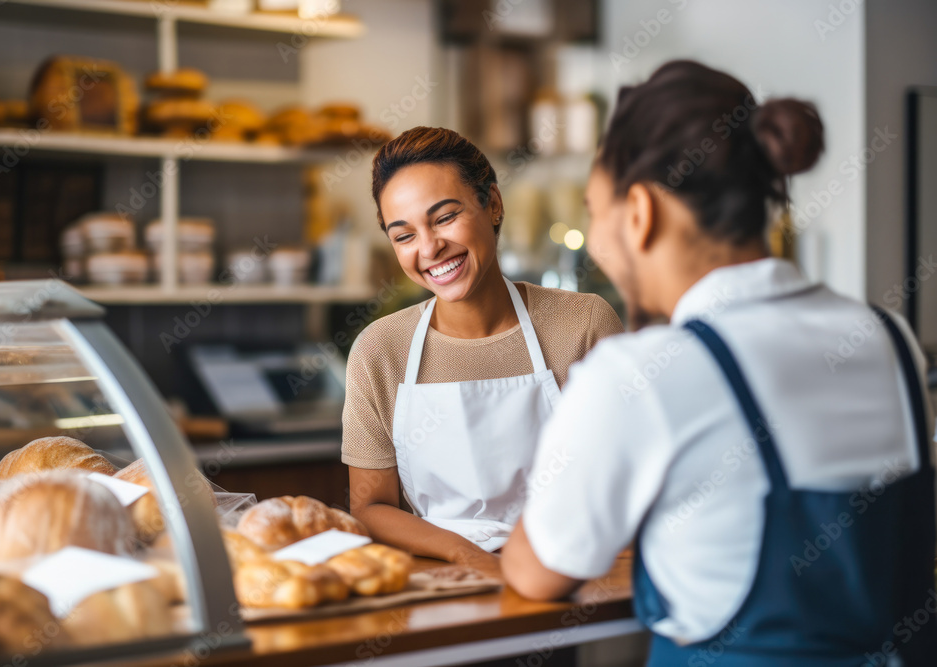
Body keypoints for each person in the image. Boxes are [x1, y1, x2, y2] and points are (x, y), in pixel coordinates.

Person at [502, 60, 936, 665]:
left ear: (640, 213)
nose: (596, 238)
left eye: (594, 211)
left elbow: (539, 571)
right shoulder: (891, 339)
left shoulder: (642, 374)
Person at [343, 126, 624, 573]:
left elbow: (621, 479)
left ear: (492, 203)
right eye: (404, 235)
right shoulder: (380, 350)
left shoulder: (582, 323)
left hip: (570, 568)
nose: (430, 248)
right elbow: (370, 508)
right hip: (446, 579)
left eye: (444, 217)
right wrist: (467, 555)